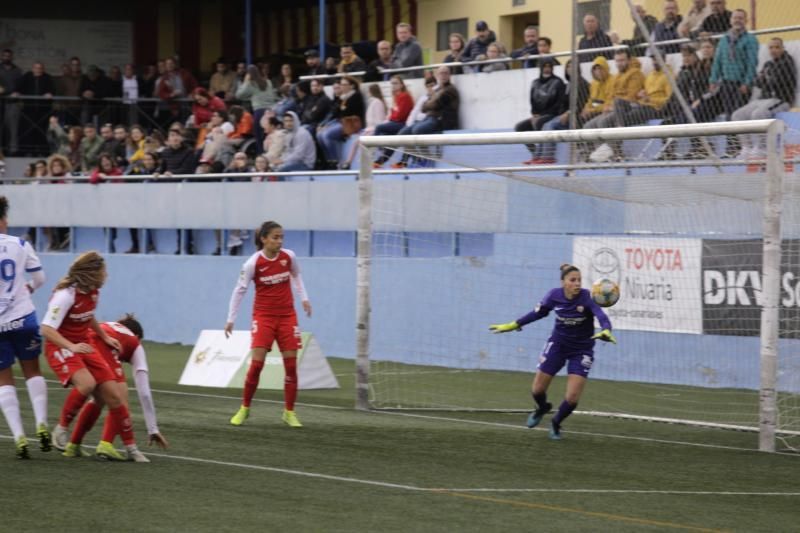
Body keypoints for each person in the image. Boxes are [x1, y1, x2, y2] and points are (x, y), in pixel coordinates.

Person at [42, 251, 149, 461]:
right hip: (60, 345)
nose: (106, 275)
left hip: (84, 344)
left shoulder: (93, 292)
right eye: (104, 271)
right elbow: (46, 329)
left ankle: (131, 448)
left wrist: (103, 337)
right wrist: (71, 346)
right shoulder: (65, 296)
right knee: (87, 384)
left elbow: (88, 317)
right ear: (92, 273)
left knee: (113, 396)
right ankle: (61, 429)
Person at [489, 264, 615, 440]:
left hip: (582, 350)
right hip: (558, 345)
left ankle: (556, 423)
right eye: (573, 280)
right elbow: (538, 313)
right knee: (537, 390)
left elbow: (601, 316)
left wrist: (606, 330)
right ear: (563, 282)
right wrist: (514, 325)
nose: (577, 283)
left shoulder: (587, 297)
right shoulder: (554, 295)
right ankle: (542, 408)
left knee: (572, 398)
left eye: (579, 280)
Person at [226, 221, 312, 428]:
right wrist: (231, 319)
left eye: (281, 237)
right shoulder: (252, 263)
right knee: (257, 365)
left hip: (287, 317)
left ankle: (289, 412)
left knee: (291, 366)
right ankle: (244, 408)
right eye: (275, 237)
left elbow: (296, 275)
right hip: (263, 317)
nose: (279, 241)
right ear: (264, 239)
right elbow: (239, 290)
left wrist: (304, 298)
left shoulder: (289, 257)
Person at [54, 314, 168, 453]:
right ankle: (106, 445)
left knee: (99, 398)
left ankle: (73, 445)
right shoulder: (134, 342)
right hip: (99, 347)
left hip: (83, 343)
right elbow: (144, 392)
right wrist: (153, 428)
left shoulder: (107, 325)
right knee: (120, 400)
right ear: (137, 336)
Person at [0, 196, 50, 459]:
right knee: (32, 370)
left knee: (3, 378)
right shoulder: (20, 244)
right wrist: (27, 289)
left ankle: (19, 437)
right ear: (4, 220)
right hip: (23, 316)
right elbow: (40, 278)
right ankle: (42, 423)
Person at [731, 38, 797, 157]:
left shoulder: (787, 62)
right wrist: (766, 79)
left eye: (777, 47)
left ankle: (762, 147)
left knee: (758, 113)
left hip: (780, 99)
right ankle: (747, 147)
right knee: (737, 115)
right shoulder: (768, 64)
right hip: (763, 99)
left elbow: (779, 82)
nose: (774, 50)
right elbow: (757, 82)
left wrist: (765, 79)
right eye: (771, 47)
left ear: (782, 48)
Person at [515, 59, 566, 165]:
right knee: (519, 127)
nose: (547, 69)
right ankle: (535, 153)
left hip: (553, 114)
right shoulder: (535, 83)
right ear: (541, 68)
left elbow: (559, 103)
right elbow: (532, 101)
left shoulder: (558, 82)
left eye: (549, 66)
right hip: (538, 115)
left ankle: (542, 155)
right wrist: (534, 114)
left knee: (540, 122)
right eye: (545, 66)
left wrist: (541, 116)